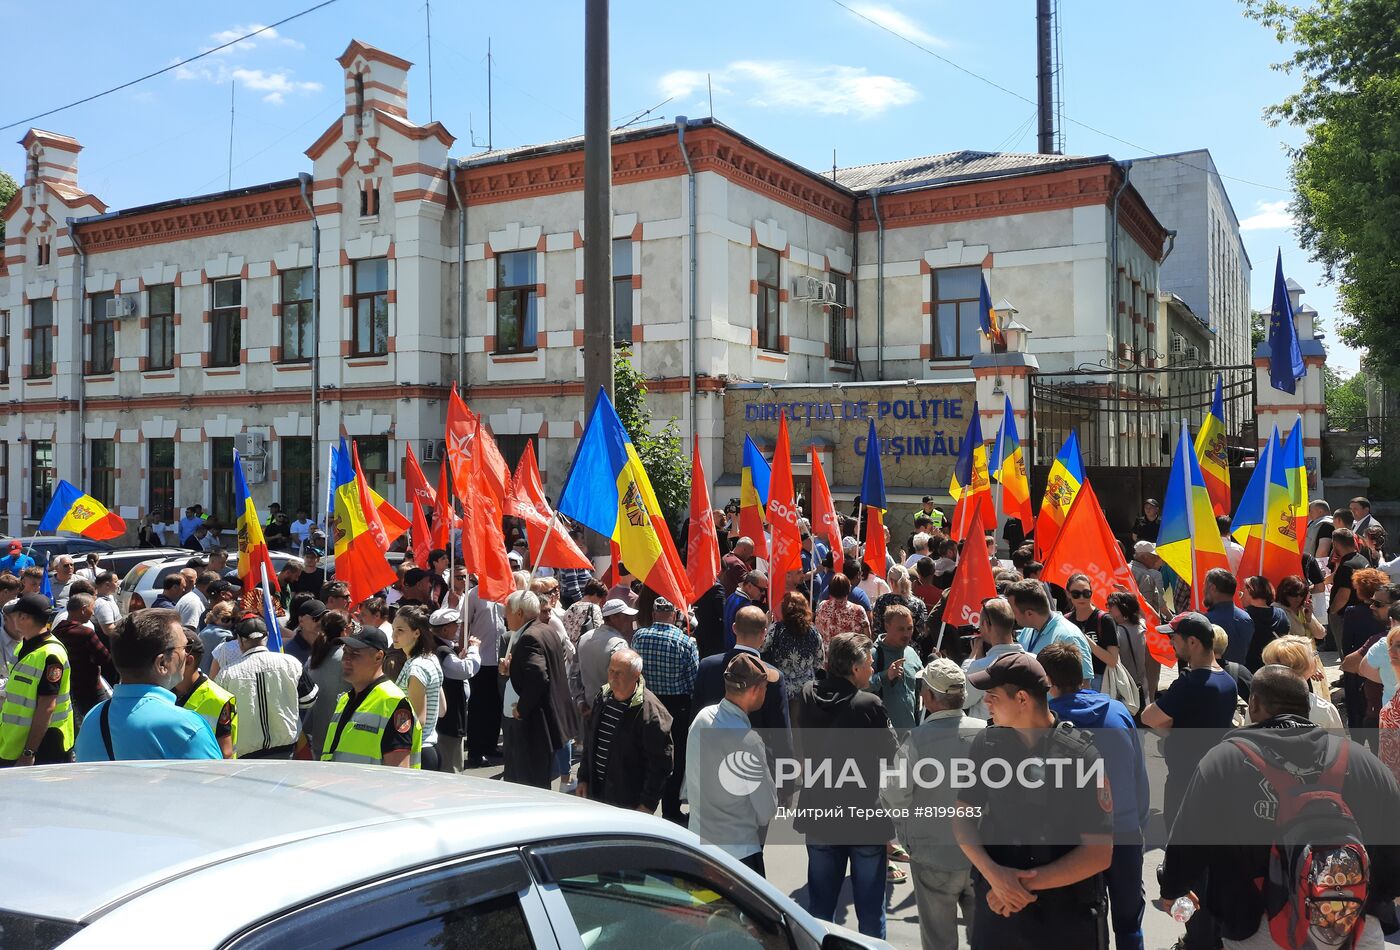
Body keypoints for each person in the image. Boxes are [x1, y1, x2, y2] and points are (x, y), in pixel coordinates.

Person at [1157, 665, 1400, 950]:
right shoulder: (1363, 762)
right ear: (1307, 706)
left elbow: (1190, 835)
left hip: (1259, 925)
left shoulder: (1225, 761)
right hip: (1353, 923)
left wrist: (1174, 888)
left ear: (1255, 704)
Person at [951, 651, 1114, 950]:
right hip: (999, 913)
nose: (985, 703)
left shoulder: (1081, 756)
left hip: (1061, 920)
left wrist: (1014, 886)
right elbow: (962, 820)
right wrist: (995, 876)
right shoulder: (987, 745)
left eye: (992, 696)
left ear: (1022, 699)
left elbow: (1099, 853)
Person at [1041, 642, 1149, 950]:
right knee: (1129, 925)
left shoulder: (1045, 722)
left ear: (1047, 680)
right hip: (1124, 829)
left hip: (1074, 840)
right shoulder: (1117, 712)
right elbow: (1138, 773)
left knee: (1076, 925)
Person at [797, 633, 900, 939]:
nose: (872, 669)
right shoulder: (869, 704)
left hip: (820, 814)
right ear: (855, 669)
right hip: (864, 818)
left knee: (820, 911)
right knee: (870, 914)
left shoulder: (807, 693)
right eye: (869, 664)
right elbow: (891, 754)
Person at [880, 658, 986, 950]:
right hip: (982, 857)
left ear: (928, 697)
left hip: (933, 855)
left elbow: (894, 795)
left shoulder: (916, 739)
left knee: (939, 942)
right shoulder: (986, 732)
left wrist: (908, 835)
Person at [75, 609, 222, 762]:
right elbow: (214, 784)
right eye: (184, 648)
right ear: (162, 663)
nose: (187, 654)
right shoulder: (187, 728)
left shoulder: (93, 717)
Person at [1140, 612, 1240, 827]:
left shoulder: (1189, 683)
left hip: (1185, 781)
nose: (1171, 644)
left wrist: (1170, 726)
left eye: (1173, 638)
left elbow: (1148, 717)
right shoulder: (1229, 682)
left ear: (1192, 642)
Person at [686, 653, 778, 876]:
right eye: (766, 687)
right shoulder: (749, 741)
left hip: (700, 849)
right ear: (755, 690)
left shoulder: (701, 718)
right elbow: (766, 810)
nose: (767, 692)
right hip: (740, 856)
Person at [577, 648, 674, 813]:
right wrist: (583, 778)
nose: (612, 677)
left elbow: (660, 765)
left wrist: (647, 805)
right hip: (597, 796)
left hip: (628, 805)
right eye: (611, 671)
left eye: (619, 673)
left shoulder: (651, 713)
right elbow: (590, 742)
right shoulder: (603, 697)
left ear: (636, 675)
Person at [632, 596, 700, 823]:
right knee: (675, 758)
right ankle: (670, 810)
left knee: (647, 755)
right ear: (673, 615)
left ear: (653, 614)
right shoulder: (685, 641)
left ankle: (644, 804)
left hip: (647, 703)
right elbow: (693, 681)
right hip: (676, 707)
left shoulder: (639, 636)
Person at [503, 590, 578, 788]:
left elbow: (538, 677)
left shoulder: (530, 637)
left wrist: (521, 708)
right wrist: (512, 669)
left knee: (531, 783)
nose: (505, 616)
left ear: (519, 613)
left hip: (537, 723)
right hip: (550, 719)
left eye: (507, 611)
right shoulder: (545, 629)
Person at [214, 616, 318, 759]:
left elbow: (220, 718)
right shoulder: (291, 663)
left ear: (240, 640)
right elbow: (309, 699)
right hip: (287, 751)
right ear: (267, 637)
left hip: (245, 757)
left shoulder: (226, 674)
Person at [320, 625, 420, 767]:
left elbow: (398, 774)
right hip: (339, 787)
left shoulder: (392, 701)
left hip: (367, 789)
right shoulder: (345, 699)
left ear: (378, 657)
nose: (346, 659)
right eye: (345, 652)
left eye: (354, 654)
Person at [0, 593, 74, 765]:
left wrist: (29, 752)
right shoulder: (23, 646)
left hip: (44, 746)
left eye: (11, 615)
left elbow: (47, 707)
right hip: (14, 741)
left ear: (23, 617)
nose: (8, 619)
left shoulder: (51, 654)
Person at [391, 604, 445, 772]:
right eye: (393, 629)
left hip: (418, 751)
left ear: (416, 633)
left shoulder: (417, 667)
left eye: (400, 630)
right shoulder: (430, 659)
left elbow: (418, 720)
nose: (394, 635)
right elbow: (442, 709)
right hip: (429, 747)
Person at [1008, 578, 1093, 683]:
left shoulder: (1069, 636)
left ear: (1029, 613)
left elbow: (1083, 685)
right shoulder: (1027, 630)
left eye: (1013, 610)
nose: (1010, 614)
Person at [51, 593, 117, 721]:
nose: (92, 613)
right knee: (100, 719)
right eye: (92, 609)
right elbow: (105, 658)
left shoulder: (57, 630)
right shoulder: (86, 633)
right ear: (83, 609)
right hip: (90, 688)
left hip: (66, 687)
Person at [429, 606, 479, 774]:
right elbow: (465, 669)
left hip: (447, 718)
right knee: (451, 767)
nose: (458, 627)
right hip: (448, 721)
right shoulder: (441, 650)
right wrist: (474, 649)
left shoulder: (439, 647)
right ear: (444, 629)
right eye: (454, 625)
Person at [763, 591, 823, 729]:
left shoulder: (776, 629)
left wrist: (766, 624)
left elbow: (761, 647)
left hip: (781, 687)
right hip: (806, 689)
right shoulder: (813, 632)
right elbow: (819, 661)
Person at [173, 629, 237, 759]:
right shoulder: (161, 691)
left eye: (170, 656)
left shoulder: (218, 698)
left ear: (189, 661)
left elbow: (226, 752)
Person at [961, 596, 1025, 722]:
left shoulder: (979, 668)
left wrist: (972, 658)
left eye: (980, 623)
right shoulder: (1034, 661)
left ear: (985, 625)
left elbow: (963, 700)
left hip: (988, 736)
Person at [464, 581, 506, 768]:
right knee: (478, 709)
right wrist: (463, 651)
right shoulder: (473, 594)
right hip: (480, 660)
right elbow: (465, 624)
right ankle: (475, 752)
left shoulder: (503, 593)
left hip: (499, 660)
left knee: (496, 706)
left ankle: (490, 745)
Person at [1261, 634, 1344, 728]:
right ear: (1309, 667)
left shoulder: (1257, 707)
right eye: (1314, 654)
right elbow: (1337, 741)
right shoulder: (1324, 709)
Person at [869, 603, 925, 732]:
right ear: (887, 626)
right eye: (901, 629)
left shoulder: (911, 652)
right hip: (883, 736)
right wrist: (884, 676)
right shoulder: (873, 655)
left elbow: (922, 686)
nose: (906, 634)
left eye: (909, 628)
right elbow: (859, 688)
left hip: (912, 733)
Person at [575, 599, 635, 720]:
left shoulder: (584, 638)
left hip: (587, 708)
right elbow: (621, 683)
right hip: (611, 712)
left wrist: (580, 702)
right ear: (613, 618)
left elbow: (574, 675)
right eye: (625, 617)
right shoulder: (618, 644)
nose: (629, 620)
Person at [303, 610, 351, 755]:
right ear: (345, 631)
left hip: (317, 736)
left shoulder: (314, 657)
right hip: (340, 739)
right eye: (352, 626)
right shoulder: (347, 658)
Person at [1063, 573, 1119, 691]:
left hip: (1100, 680)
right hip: (1072, 680)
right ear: (1068, 594)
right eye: (1076, 594)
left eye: (1086, 593)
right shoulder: (1066, 620)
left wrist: (1084, 639)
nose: (1082, 598)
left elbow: (1112, 660)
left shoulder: (1104, 619)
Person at [1105, 590, 1153, 705]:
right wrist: (1128, 593)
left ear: (1124, 610)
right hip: (1142, 686)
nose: (1109, 609)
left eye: (1112, 606)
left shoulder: (1117, 633)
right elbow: (1142, 614)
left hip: (1125, 688)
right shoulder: (1141, 626)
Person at [1238, 575, 1290, 671]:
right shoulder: (1281, 614)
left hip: (1251, 670)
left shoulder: (1243, 617)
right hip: (1277, 667)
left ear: (1249, 591)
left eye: (1243, 591)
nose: (1241, 595)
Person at [1329, 527, 1370, 649]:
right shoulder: (1363, 560)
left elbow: (1343, 595)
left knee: (1346, 650)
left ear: (1336, 544)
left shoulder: (1347, 566)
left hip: (1345, 616)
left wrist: (1332, 611)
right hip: (1362, 611)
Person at [813, 572, 870, 651]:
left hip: (829, 656)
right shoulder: (858, 610)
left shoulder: (823, 606)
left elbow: (818, 630)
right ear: (849, 589)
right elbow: (867, 635)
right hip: (852, 657)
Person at [872, 564, 930, 638]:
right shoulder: (918, 604)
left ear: (891, 582)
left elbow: (876, 629)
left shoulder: (881, 601)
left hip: (886, 647)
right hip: (911, 648)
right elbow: (922, 632)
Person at [723, 570, 768, 650]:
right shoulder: (745, 606)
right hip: (738, 652)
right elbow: (752, 634)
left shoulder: (732, 597)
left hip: (728, 649)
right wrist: (767, 622)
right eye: (761, 589)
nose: (763, 593)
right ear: (749, 586)